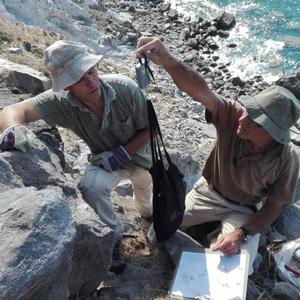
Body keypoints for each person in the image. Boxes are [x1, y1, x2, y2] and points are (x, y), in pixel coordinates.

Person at [136, 37, 300, 274]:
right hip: (208, 193)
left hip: (242, 210)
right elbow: (201, 92)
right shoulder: (233, 115)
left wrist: (240, 232)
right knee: (157, 233)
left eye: (254, 119)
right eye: (249, 110)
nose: (243, 118)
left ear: (272, 132)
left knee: (237, 266)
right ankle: (208, 231)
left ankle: (218, 235)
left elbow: (273, 207)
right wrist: (168, 61)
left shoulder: (287, 159)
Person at [0, 40, 153, 249]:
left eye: (91, 71)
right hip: (107, 164)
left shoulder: (125, 88)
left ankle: (147, 213)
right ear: (67, 86)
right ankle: (113, 240)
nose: (91, 82)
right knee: (91, 188)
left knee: (147, 201)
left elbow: (151, 129)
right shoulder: (61, 102)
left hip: (145, 161)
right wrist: (13, 129)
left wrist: (120, 154)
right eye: (80, 79)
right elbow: (14, 111)